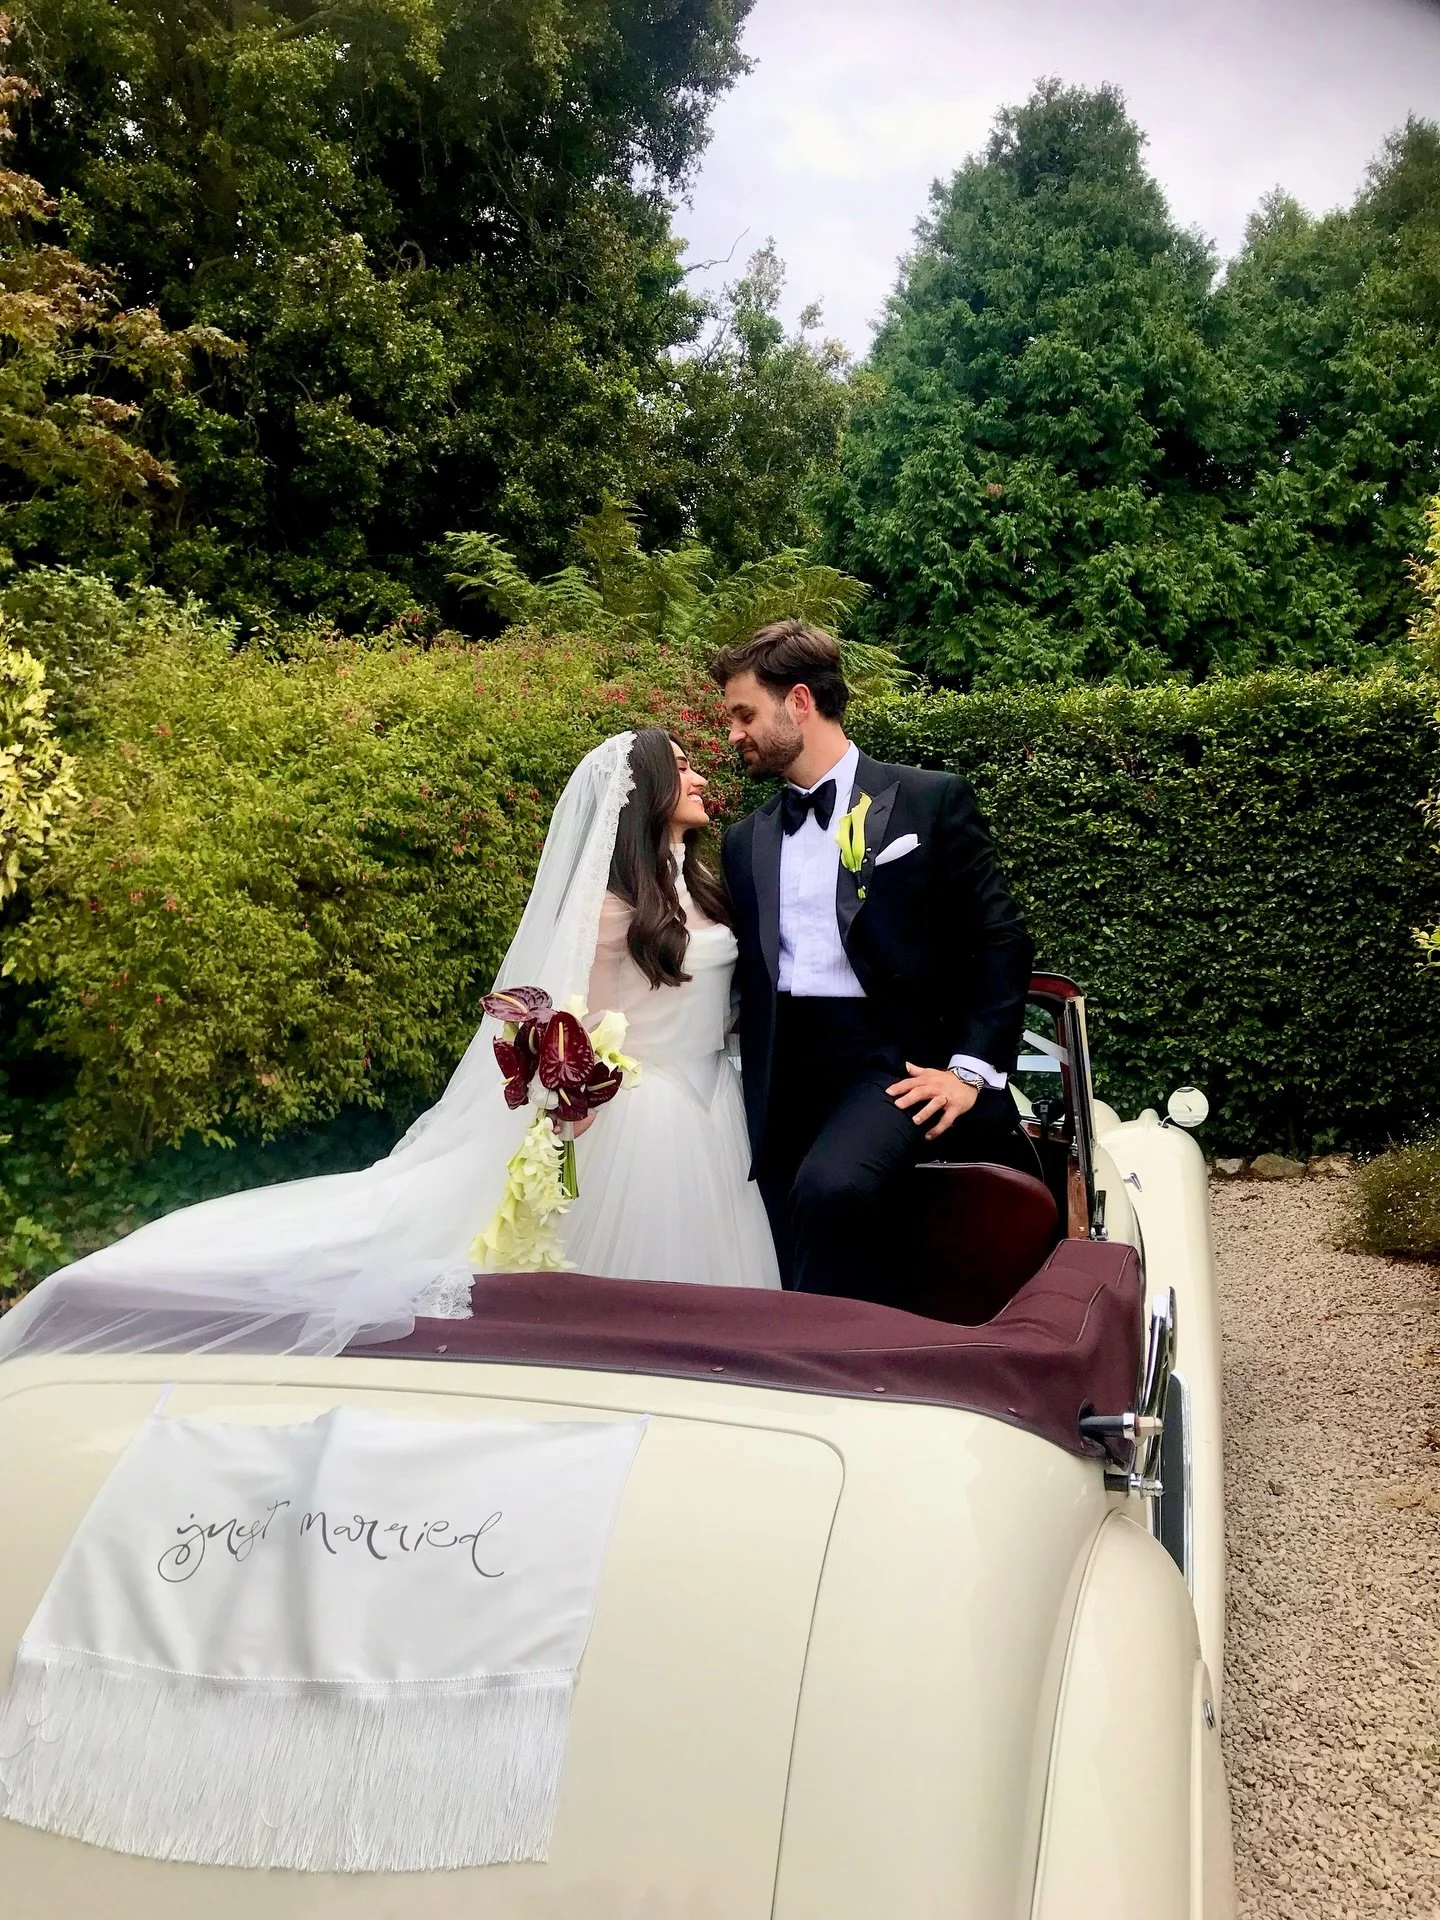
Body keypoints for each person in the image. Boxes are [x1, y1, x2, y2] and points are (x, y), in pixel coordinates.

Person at [0, 728, 777, 1365]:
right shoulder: (610, 914)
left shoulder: (709, 889)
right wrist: (567, 1102)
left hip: (714, 1108)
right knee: (627, 1301)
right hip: (643, 1124)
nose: (701, 773)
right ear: (643, 794)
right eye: (682, 765)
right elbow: (577, 1025)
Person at [712, 619, 1034, 1299]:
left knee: (831, 1189)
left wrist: (969, 1072)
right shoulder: (744, 842)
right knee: (769, 1223)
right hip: (782, 1073)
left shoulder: (928, 799)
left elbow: (1001, 940)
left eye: (744, 714)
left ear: (800, 701)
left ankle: (827, 1370)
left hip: (891, 1060)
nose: (733, 734)